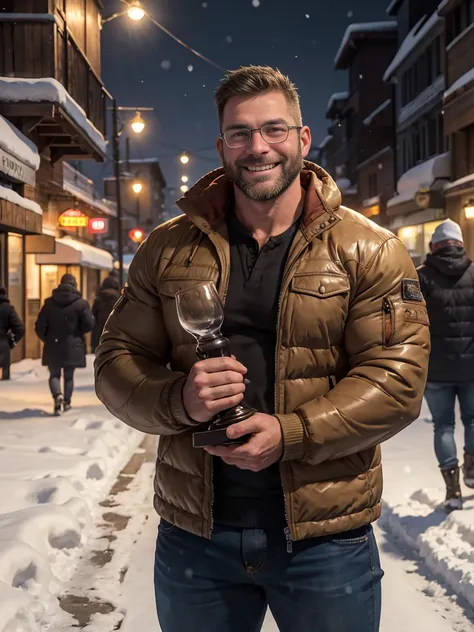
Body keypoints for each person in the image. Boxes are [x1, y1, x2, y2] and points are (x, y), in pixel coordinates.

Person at [95, 66, 430, 632]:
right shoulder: (168, 248)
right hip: (197, 540)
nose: (258, 147)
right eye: (241, 133)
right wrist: (181, 400)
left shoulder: (370, 249)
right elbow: (115, 363)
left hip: (326, 537)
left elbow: (396, 380)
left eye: (274, 129)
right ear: (223, 145)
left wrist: (292, 433)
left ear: (302, 139)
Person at [418, 219, 474, 511]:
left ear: (433, 247)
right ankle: (473, 469)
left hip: (436, 369)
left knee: (443, 426)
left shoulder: (422, 277)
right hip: (472, 367)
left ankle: (453, 491)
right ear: (460, 244)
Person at [35, 273, 94, 415]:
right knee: (69, 376)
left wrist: (48, 339)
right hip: (73, 345)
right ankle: (67, 402)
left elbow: (39, 326)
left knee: (54, 374)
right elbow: (88, 324)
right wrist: (78, 334)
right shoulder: (81, 304)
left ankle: (57, 396)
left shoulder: (49, 303)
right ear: (74, 285)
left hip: (53, 345)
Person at [0, 285, 25, 380]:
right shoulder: (8, 309)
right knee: (4, 381)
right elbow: (20, 328)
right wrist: (11, 341)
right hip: (3, 344)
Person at [91, 276, 121, 352]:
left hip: (100, 335)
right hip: (116, 334)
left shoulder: (98, 299)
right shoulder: (120, 299)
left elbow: (93, 318)